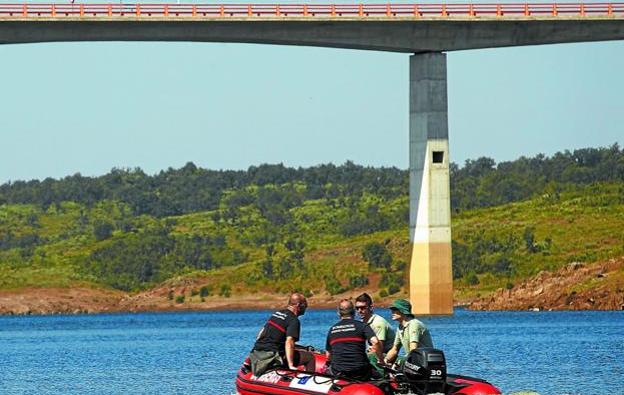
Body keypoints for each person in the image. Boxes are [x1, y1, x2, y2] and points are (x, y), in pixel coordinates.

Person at [249, 292, 315, 376]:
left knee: (297, 351)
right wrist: (291, 365)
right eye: (305, 305)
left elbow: (261, 333)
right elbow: (289, 342)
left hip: (257, 352)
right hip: (272, 356)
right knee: (309, 357)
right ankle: (308, 381)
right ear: (298, 305)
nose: (306, 307)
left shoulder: (277, 313)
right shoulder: (293, 320)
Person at [325, 299, 384, 380]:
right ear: (354, 311)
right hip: (360, 371)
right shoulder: (362, 325)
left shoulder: (332, 329)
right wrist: (381, 360)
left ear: (338, 313)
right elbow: (375, 342)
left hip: (339, 372)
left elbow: (328, 355)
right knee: (381, 377)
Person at [384, 299, 433, 367]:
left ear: (403, 311)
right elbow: (394, 349)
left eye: (395, 309)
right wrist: (385, 360)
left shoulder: (414, 324)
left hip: (423, 361)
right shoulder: (400, 327)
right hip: (412, 359)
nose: (392, 312)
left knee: (400, 360)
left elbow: (413, 350)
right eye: (392, 310)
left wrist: (398, 362)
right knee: (375, 356)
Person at [355, 293, 395, 375]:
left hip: (387, 356)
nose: (359, 311)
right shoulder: (364, 322)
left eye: (362, 308)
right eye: (357, 308)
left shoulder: (378, 323)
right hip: (376, 353)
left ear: (371, 307)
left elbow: (379, 347)